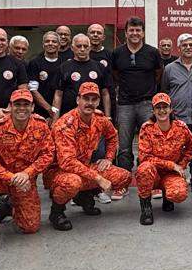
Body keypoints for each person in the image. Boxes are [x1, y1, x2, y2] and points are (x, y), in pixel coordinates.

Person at [0, 89, 55, 253]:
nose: (21, 108)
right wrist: (12, 177)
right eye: (17, 104)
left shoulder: (41, 126)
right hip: (0, 177)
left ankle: (7, 205)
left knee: (30, 227)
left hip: (25, 179)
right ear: (10, 107)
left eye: (26, 104)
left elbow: (48, 154)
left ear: (32, 107)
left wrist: (28, 173)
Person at [44, 82, 130, 230]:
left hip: (84, 167)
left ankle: (84, 197)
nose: (90, 103)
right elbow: (67, 162)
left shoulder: (99, 119)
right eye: (86, 98)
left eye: (94, 99)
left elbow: (112, 136)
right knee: (73, 182)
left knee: (124, 176)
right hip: (59, 172)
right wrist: (99, 178)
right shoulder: (66, 124)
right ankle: (56, 212)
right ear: (78, 100)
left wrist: (109, 158)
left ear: (98, 101)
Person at [134, 92, 192, 225]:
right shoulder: (147, 128)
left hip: (171, 174)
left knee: (179, 193)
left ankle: (167, 198)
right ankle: (146, 208)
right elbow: (144, 157)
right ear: (153, 110)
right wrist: (172, 165)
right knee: (143, 168)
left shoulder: (181, 128)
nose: (162, 111)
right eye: (158, 108)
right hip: (153, 173)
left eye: (165, 107)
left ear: (170, 109)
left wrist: (182, 164)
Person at [111, 15, 163, 171]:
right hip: (125, 105)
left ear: (143, 33)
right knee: (124, 144)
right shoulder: (117, 53)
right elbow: (115, 74)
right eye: (131, 30)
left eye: (138, 30)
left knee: (148, 143)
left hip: (147, 104)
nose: (134, 33)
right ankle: (124, 178)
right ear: (126, 33)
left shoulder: (152, 52)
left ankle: (147, 177)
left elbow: (158, 73)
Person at [161, 33, 192, 196]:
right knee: (175, 152)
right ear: (179, 48)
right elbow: (165, 92)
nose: (188, 47)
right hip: (177, 119)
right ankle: (176, 180)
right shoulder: (169, 69)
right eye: (185, 45)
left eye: (191, 44)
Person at [53, 33, 113, 118]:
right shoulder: (63, 67)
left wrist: (107, 116)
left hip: (95, 117)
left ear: (90, 48)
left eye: (85, 46)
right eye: (79, 46)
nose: (82, 49)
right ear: (72, 48)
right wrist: (55, 119)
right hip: (69, 117)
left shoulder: (99, 67)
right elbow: (58, 95)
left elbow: (105, 93)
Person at [29, 31, 64, 121]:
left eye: (54, 41)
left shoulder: (65, 64)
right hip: (40, 112)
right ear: (43, 44)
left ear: (59, 45)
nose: (50, 44)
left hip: (62, 112)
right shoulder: (35, 63)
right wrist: (49, 109)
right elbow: (33, 90)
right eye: (47, 41)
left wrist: (55, 111)